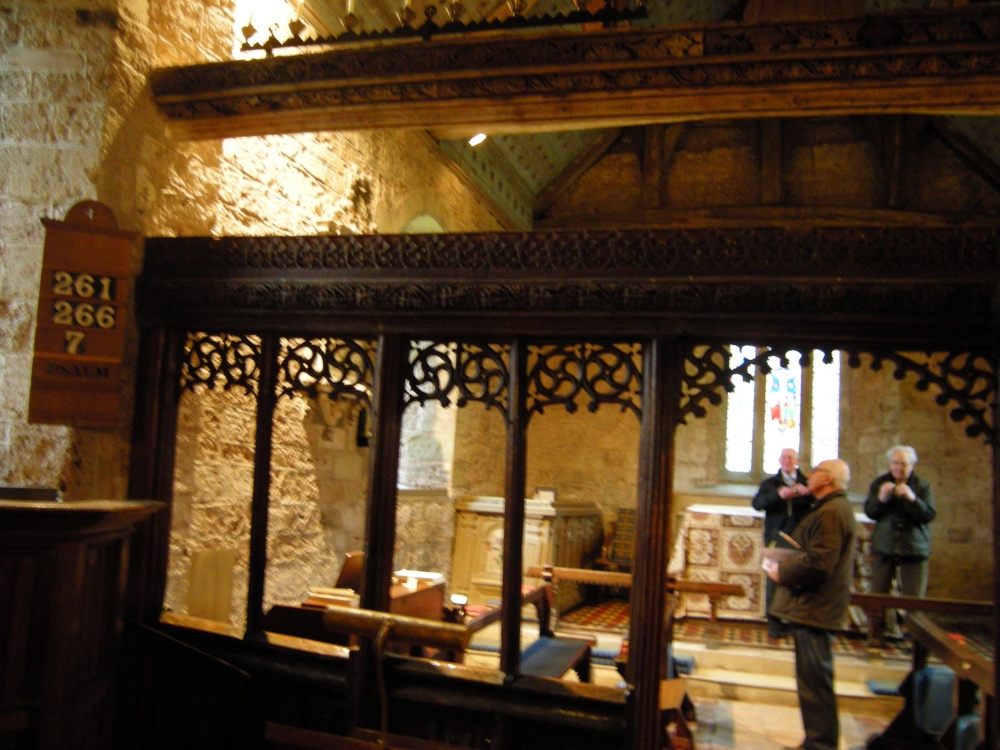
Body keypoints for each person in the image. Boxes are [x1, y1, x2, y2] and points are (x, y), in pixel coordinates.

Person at [764, 459, 856, 750]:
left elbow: (819, 563)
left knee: (816, 684)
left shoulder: (832, 511)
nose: (810, 474)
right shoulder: (829, 508)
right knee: (813, 682)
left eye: (816, 470)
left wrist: (782, 571)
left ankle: (821, 745)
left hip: (816, 606)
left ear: (828, 479)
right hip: (813, 606)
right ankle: (815, 742)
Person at [863, 445, 936, 640]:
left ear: (912, 465)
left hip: (913, 549)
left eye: (903, 464)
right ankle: (876, 637)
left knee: (914, 601)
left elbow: (928, 514)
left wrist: (912, 499)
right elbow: (871, 512)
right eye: (895, 463)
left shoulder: (922, 486)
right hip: (885, 547)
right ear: (889, 464)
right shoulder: (880, 483)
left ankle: (915, 641)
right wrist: (881, 498)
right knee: (878, 596)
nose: (898, 468)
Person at [752, 447, 810, 638]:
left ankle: (795, 622)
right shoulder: (770, 483)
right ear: (779, 461)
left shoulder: (807, 482)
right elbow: (757, 504)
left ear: (797, 461)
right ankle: (774, 624)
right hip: (775, 538)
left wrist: (807, 494)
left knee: (798, 579)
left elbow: (816, 504)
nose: (787, 460)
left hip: (800, 539)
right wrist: (778, 495)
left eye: (790, 458)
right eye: (784, 457)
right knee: (773, 581)